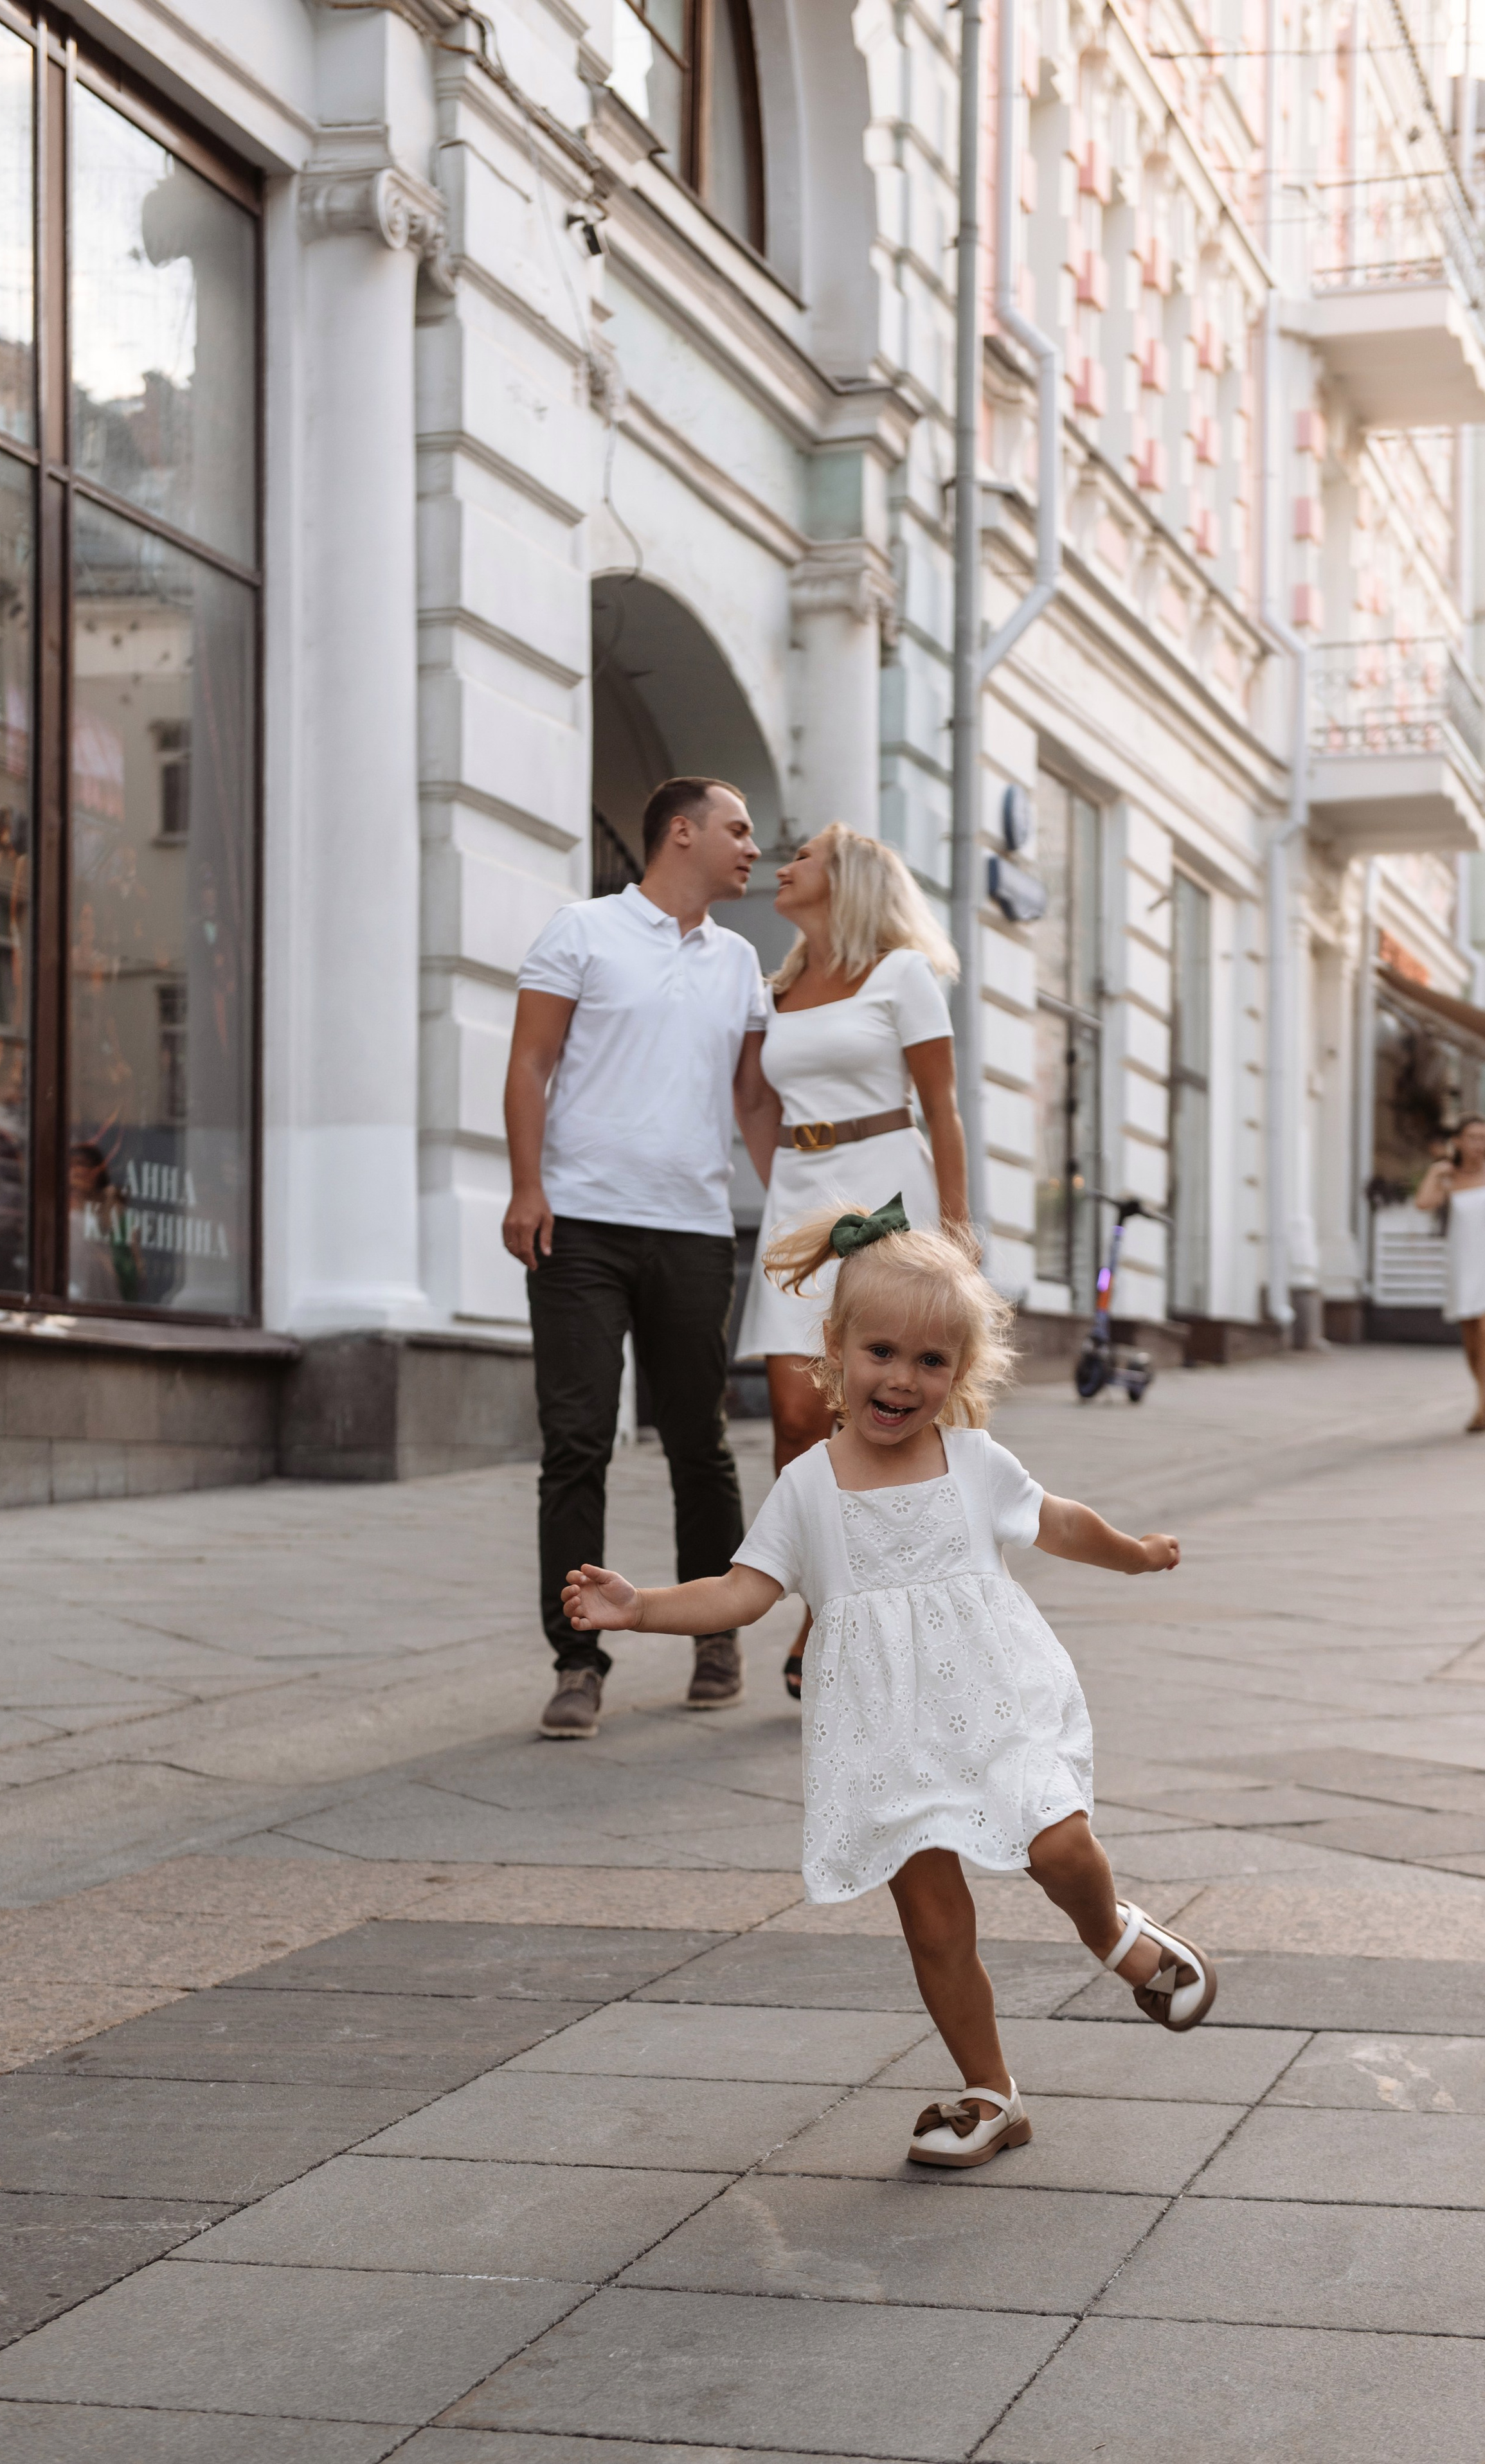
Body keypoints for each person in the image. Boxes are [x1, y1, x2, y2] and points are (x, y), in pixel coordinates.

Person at [564, 1197, 1216, 2169]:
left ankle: (1114, 1935)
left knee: (1061, 1846)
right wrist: (639, 1606)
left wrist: (1133, 1552)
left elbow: (1059, 1522)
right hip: (886, 1739)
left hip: (994, 1704)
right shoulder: (808, 1485)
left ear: (961, 1371)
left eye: (930, 1361)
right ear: (834, 1349)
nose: (903, 1379)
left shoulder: (973, 1461)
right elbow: (742, 1592)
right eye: (880, 1352)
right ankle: (991, 2092)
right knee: (935, 1926)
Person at [503, 776, 781, 1739]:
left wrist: (797, 1209)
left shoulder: (740, 962)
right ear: (681, 833)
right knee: (576, 1445)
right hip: (578, 1226)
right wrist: (526, 1186)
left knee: (700, 1443)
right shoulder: (581, 931)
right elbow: (530, 1062)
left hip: (695, 1231)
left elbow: (753, 1100)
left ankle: (716, 1636)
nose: (753, 847)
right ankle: (578, 1659)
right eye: (737, 829)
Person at [735, 822, 968, 1700]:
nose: (784, 865)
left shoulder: (902, 974)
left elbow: (942, 1110)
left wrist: (956, 1236)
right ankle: (830, 1588)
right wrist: (788, 1197)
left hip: (886, 1191)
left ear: (850, 881)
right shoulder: (779, 986)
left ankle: (838, 1615)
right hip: (801, 1199)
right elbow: (755, 1100)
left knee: (880, 1405)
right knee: (795, 1416)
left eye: (804, 859)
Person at [1415, 1114, 1485, 1431]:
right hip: (1464, 1263)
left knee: (1484, 1332)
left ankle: (1483, 1406)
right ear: (1457, 1141)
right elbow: (1423, 1203)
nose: (1479, 1144)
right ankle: (1481, 1396)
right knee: (1472, 1343)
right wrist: (1435, 1172)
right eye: (1473, 1137)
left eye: (1483, 1138)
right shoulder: (1450, 1177)